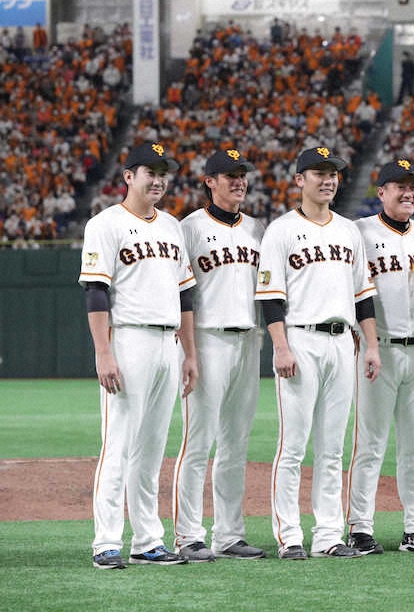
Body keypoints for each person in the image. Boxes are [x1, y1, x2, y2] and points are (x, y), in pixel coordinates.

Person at [255, 147, 381, 560]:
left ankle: (328, 534)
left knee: (332, 447)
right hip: (300, 339)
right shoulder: (281, 230)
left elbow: (363, 297)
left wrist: (372, 346)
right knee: (293, 445)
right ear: (299, 180)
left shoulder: (349, 231)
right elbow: (271, 297)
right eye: (319, 173)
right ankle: (289, 535)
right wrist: (280, 346)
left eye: (333, 174)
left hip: (343, 340)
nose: (328, 180)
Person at [80, 141, 196, 569]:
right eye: (150, 170)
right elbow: (96, 291)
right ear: (128, 176)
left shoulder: (171, 226)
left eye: (163, 172)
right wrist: (104, 352)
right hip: (128, 341)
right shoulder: (105, 224)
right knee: (119, 445)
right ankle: (106, 541)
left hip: (169, 343)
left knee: (151, 450)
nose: (158, 179)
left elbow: (185, 294)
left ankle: (148, 540)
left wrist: (190, 353)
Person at [345, 158, 414, 555]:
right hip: (379, 349)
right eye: (399, 186)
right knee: (370, 443)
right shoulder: (361, 232)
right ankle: (360, 527)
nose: (408, 193)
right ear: (380, 191)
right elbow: (351, 286)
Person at [171, 149, 266, 562]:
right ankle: (188, 535)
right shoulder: (189, 227)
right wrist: (187, 350)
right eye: (229, 176)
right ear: (209, 181)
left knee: (235, 444)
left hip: (248, 338)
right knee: (198, 442)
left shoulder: (256, 228)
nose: (238, 182)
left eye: (241, 175)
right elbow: (180, 291)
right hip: (206, 340)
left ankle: (228, 534)